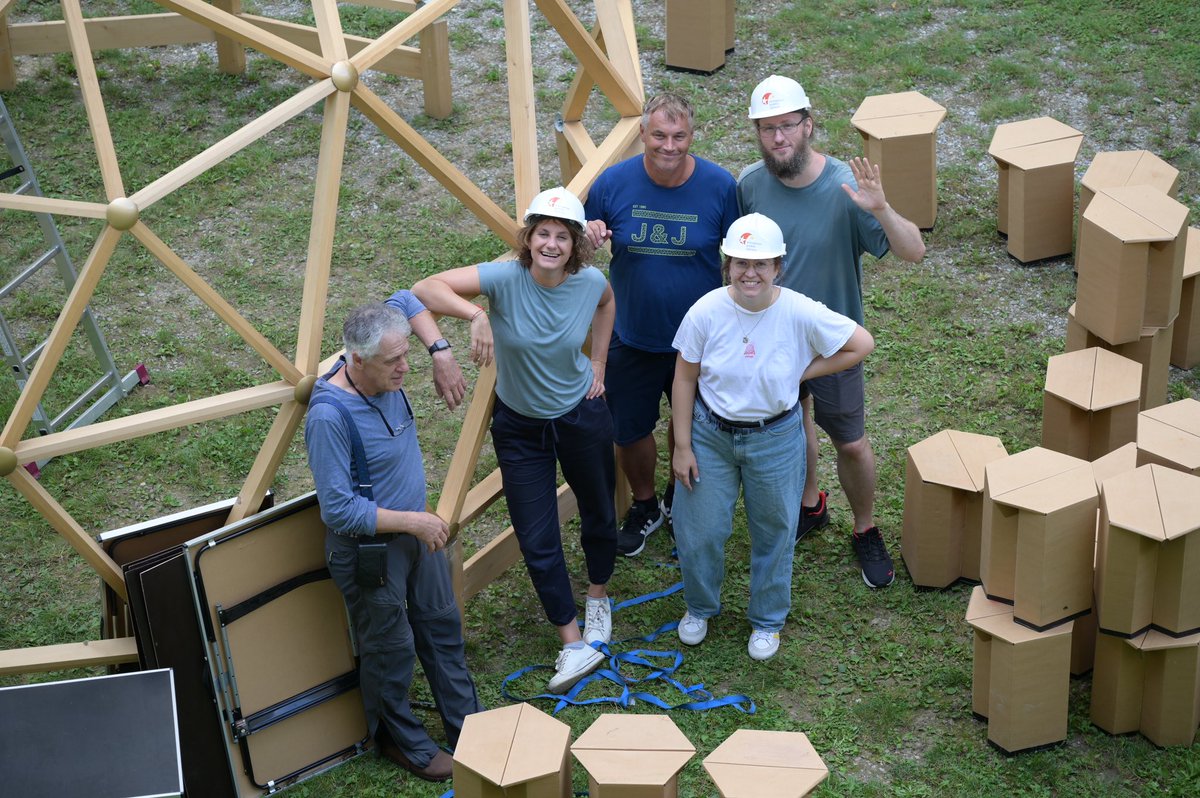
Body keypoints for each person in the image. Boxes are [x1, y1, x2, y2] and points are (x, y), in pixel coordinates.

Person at [413, 187, 618, 693]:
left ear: (576, 245)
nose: (551, 244)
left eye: (562, 236)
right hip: (521, 426)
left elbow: (607, 304)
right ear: (529, 239)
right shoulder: (504, 280)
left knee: (598, 510)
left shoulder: (591, 281)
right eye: (542, 234)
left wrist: (598, 362)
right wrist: (476, 316)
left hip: (580, 414)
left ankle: (597, 597)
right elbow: (425, 287)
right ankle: (571, 642)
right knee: (536, 533)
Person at [737, 75, 927, 588]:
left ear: (808, 125)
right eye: (768, 128)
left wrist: (881, 208)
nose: (779, 138)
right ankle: (811, 504)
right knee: (794, 428)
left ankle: (865, 528)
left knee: (850, 441)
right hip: (776, 342)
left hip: (834, 344)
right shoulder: (750, 185)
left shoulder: (846, 187)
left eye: (787, 126)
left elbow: (914, 252)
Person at [671, 214, 874, 661]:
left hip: (776, 438)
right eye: (740, 262)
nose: (750, 273)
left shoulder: (799, 311)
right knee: (699, 530)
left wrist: (805, 370)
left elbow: (861, 343)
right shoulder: (705, 311)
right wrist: (682, 445)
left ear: (778, 267)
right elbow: (684, 378)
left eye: (761, 264)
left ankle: (767, 620)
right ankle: (700, 607)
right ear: (726, 264)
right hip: (711, 436)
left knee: (775, 530)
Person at [304, 296, 482, 784]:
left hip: (413, 534)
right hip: (371, 550)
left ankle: (471, 729)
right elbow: (338, 509)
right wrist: (414, 522)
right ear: (356, 360)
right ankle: (401, 742)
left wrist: (441, 351)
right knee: (390, 647)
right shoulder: (329, 417)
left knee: (442, 627)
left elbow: (410, 297)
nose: (405, 367)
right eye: (393, 362)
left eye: (407, 354)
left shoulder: (384, 352)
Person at [584, 92, 739, 557]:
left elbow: (739, 260)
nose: (668, 146)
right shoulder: (612, 184)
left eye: (679, 136)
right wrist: (589, 234)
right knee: (628, 431)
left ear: (693, 135)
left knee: (690, 424)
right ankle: (646, 504)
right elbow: (582, 244)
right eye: (658, 135)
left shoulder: (719, 186)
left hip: (698, 339)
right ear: (642, 134)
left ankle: (680, 500)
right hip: (631, 334)